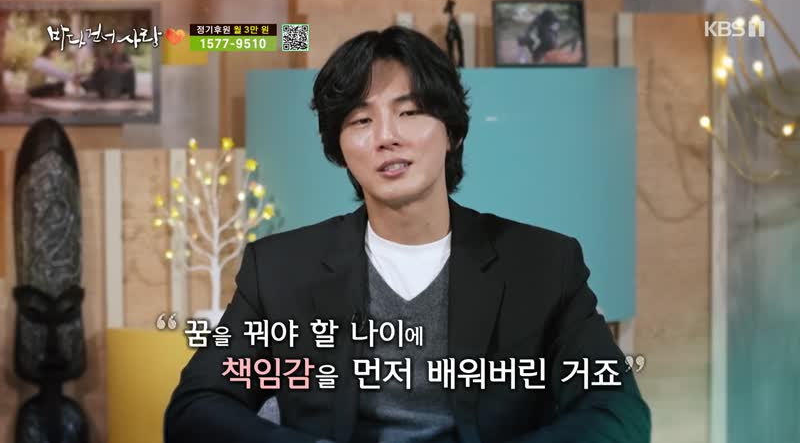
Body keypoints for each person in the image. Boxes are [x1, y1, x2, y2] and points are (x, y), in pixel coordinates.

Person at [164, 26, 651, 443]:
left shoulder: (543, 264)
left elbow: (617, 410)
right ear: (340, 148)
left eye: (410, 111)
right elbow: (196, 407)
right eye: (361, 120)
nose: (386, 136)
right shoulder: (279, 270)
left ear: (452, 132)